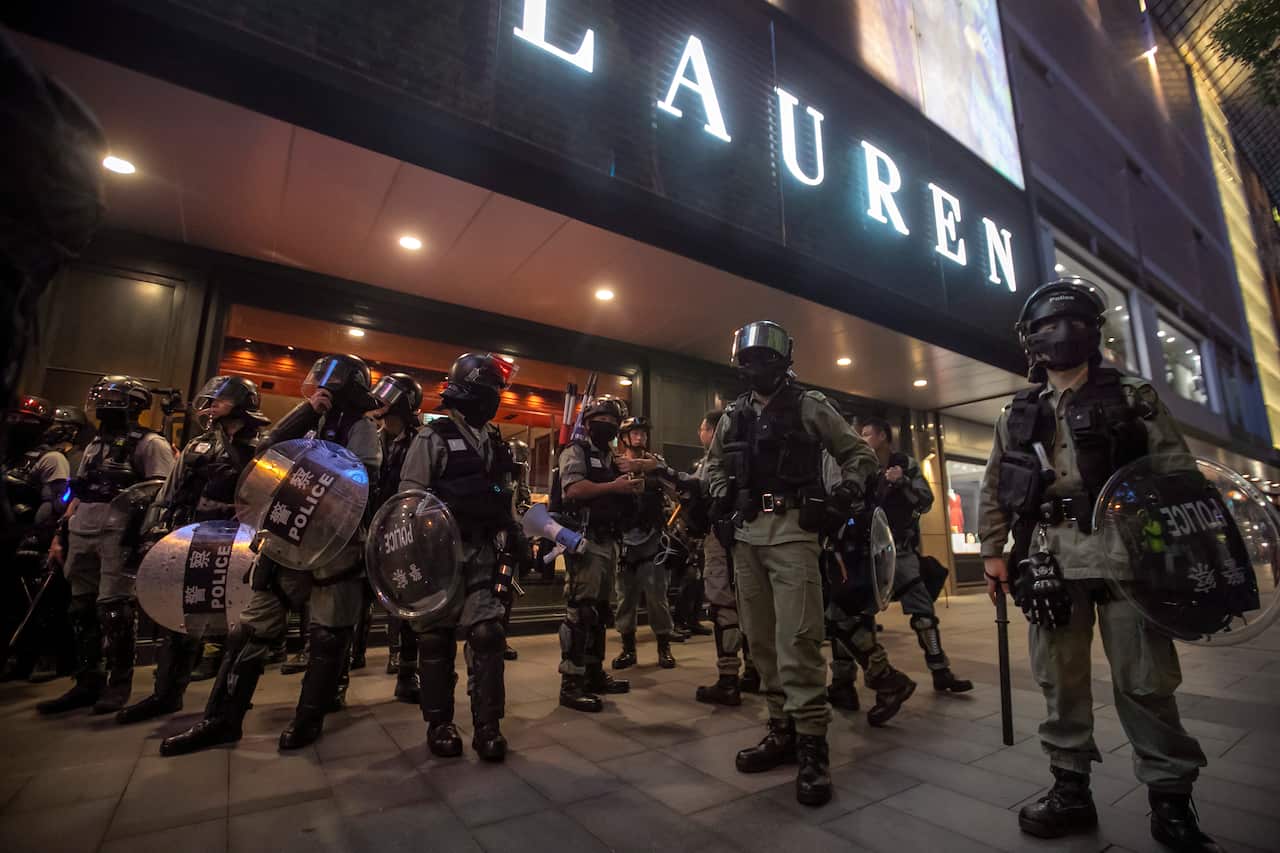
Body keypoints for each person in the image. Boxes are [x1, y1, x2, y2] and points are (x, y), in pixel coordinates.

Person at [980, 278, 1218, 850]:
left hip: (1126, 560)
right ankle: (1071, 791)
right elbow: (994, 485)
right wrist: (992, 553)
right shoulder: (1017, 411)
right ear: (1028, 340)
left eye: (1075, 322)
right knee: (1060, 682)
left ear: (1095, 332)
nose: (1061, 334)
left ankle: (1170, 801)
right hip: (1050, 560)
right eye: (1047, 326)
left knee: (1146, 683)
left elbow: (1177, 476)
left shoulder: (1134, 396)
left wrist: (1179, 555)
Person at [161, 354, 381, 755]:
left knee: (328, 634)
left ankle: (307, 719)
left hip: (336, 542)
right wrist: (304, 413)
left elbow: (361, 484)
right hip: (287, 536)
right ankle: (221, 719)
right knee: (250, 628)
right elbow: (266, 453)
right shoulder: (310, 419)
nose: (320, 388)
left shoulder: (361, 427)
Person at [706, 321, 878, 807]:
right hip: (746, 537)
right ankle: (780, 729)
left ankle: (811, 745)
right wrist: (720, 497)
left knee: (798, 640)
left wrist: (844, 495)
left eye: (763, 357)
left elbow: (858, 453)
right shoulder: (733, 415)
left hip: (793, 534)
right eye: (747, 358)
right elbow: (714, 464)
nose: (753, 365)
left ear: (782, 361)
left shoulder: (809, 405)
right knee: (759, 643)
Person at [115, 376, 268, 724]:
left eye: (219, 401)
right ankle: (166, 694)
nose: (211, 407)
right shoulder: (199, 445)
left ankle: (230, 700)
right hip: (194, 537)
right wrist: (155, 532)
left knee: (240, 624)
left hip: (240, 544)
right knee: (182, 618)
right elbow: (168, 493)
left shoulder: (262, 448)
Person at [399, 353, 520, 761]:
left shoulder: (493, 439)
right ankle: (440, 723)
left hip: (484, 552)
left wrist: (512, 527)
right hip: (440, 557)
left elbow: (505, 496)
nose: (494, 401)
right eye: (489, 393)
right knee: (435, 639)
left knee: (488, 635)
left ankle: (487, 725)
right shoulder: (432, 437)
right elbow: (409, 502)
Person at [37, 377, 175, 715]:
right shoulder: (95, 445)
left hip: (119, 530)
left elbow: (161, 491)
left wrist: (144, 534)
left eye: (113, 398)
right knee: (80, 607)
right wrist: (61, 533)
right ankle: (87, 679)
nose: (104, 405)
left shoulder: (151, 444)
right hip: (82, 526)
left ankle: (118, 683)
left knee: (114, 609)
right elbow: (77, 492)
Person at [857, 416, 971, 694]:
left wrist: (903, 481)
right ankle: (843, 683)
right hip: (864, 552)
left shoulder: (904, 463)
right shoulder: (859, 467)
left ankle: (940, 670)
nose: (862, 439)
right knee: (855, 614)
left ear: (883, 436)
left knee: (922, 612)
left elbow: (926, 500)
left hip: (900, 549)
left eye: (867, 433)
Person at [556, 395, 643, 712]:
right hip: (585, 540)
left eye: (613, 421)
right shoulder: (576, 451)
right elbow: (574, 490)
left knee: (600, 612)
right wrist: (615, 488)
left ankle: (593, 673)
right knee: (580, 612)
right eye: (601, 419)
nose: (607, 425)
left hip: (610, 541)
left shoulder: (613, 458)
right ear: (589, 422)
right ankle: (571, 683)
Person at [821, 448, 918, 726]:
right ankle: (842, 685)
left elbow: (837, 495)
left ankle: (886, 678)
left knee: (839, 614)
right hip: (846, 544)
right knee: (845, 611)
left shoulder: (835, 449)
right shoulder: (836, 450)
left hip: (844, 544)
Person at [690, 409, 758, 706]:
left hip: (720, 536)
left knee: (722, 606)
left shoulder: (714, 461)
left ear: (712, 430)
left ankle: (728, 679)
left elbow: (699, 491)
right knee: (750, 605)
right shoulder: (748, 455)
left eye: (703, 428)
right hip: (750, 536)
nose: (700, 433)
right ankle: (756, 672)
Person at [2, 396, 70, 679]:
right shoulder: (7, 458)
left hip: (28, 538)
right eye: (15, 418)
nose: (19, 425)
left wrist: (40, 537)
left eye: (27, 420)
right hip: (6, 533)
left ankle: (24, 659)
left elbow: (57, 503)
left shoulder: (51, 459)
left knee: (26, 605)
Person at [371, 371, 424, 703]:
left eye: (388, 397)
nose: (380, 402)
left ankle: (406, 669)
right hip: (367, 527)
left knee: (405, 600)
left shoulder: (422, 439)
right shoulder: (368, 437)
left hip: (404, 530)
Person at [611, 415, 678, 670]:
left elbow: (674, 491)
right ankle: (628, 649)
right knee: (625, 598)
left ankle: (664, 646)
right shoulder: (615, 464)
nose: (640, 437)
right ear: (625, 437)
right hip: (624, 539)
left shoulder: (656, 462)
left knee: (657, 597)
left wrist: (656, 471)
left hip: (651, 537)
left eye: (643, 433)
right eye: (635, 433)